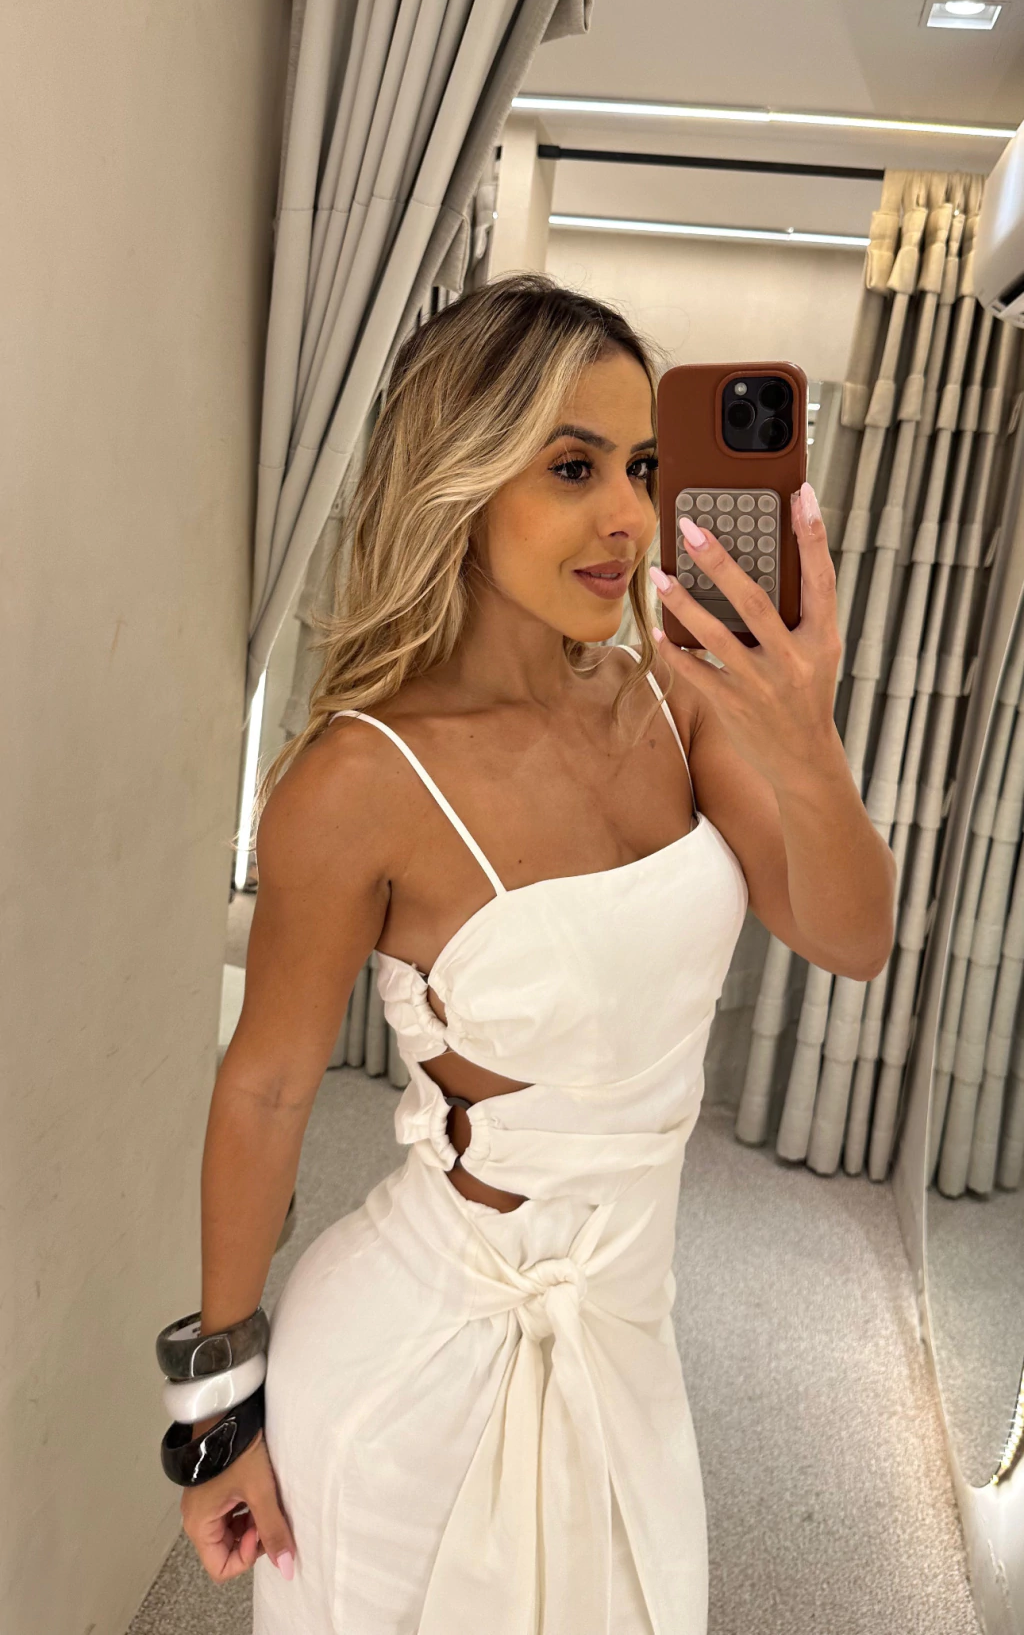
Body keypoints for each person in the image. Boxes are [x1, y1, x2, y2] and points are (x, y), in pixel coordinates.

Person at [175, 274, 896, 1632]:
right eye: (573, 467)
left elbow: (854, 938)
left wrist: (806, 743)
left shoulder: (674, 703)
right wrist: (215, 1412)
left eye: (643, 467)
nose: (629, 515)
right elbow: (265, 1090)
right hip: (411, 1367)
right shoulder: (359, 779)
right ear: (459, 477)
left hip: (627, 1333)